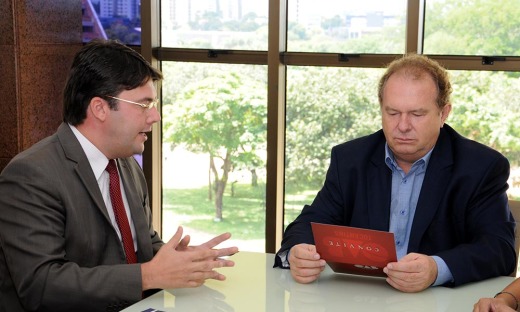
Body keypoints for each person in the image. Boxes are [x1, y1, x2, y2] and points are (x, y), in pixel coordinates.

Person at [0, 39, 238, 312]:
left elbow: (139, 245)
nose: (155, 117)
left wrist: (175, 259)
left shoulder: (126, 165)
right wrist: (149, 275)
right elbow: (41, 285)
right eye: (144, 105)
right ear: (100, 108)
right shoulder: (31, 175)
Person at [274, 53, 516, 293]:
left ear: (443, 114)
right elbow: (308, 224)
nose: (402, 126)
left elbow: (498, 249)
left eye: (417, 114)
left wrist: (436, 269)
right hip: (361, 299)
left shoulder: (481, 166)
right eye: (392, 113)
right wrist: (298, 251)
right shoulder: (350, 159)